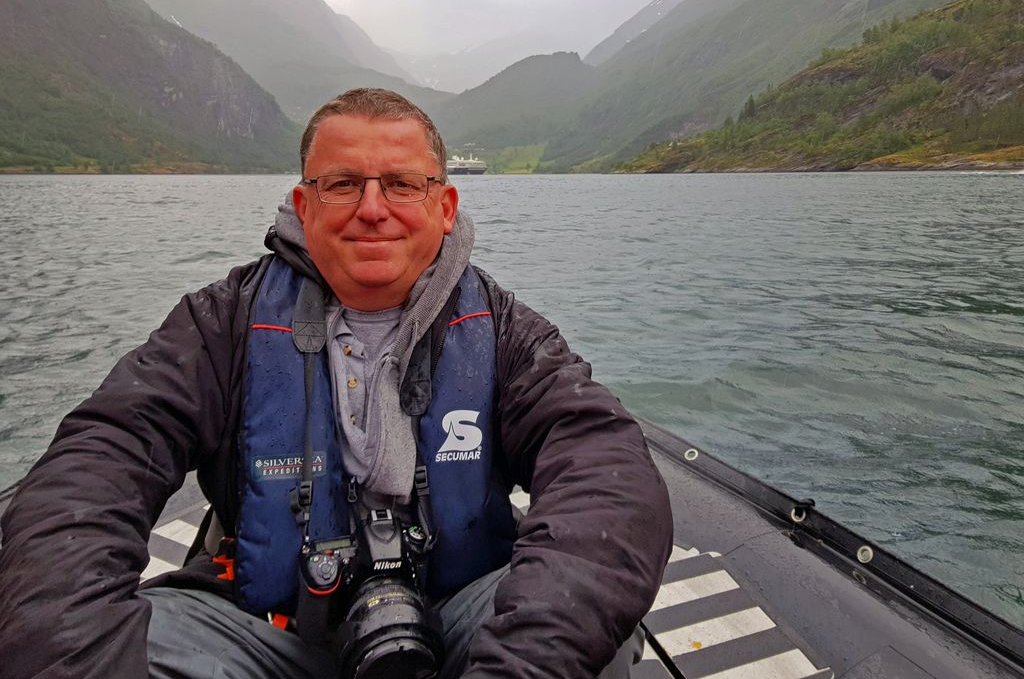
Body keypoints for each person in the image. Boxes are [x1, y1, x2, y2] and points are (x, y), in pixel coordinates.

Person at [0, 88, 673, 678]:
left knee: (595, 645)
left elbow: (603, 465)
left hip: (467, 622)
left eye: (403, 185)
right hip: (266, 631)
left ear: (444, 205)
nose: (373, 208)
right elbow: (101, 456)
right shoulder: (221, 324)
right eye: (343, 184)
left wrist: (523, 664)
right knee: (141, 642)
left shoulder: (506, 330)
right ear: (304, 203)